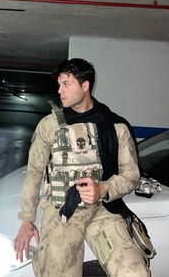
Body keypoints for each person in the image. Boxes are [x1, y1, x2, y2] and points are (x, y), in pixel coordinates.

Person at [14, 58, 151, 277]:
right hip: (62, 210)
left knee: (135, 272)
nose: (60, 90)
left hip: (102, 209)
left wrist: (103, 189)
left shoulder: (115, 126)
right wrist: (27, 220)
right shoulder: (49, 125)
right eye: (59, 84)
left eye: (66, 84)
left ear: (85, 85)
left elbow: (131, 175)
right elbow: (34, 173)